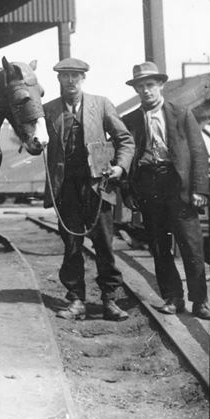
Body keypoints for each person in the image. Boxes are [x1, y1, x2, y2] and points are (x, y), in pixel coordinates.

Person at [121, 62, 210, 320]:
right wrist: (127, 192)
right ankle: (173, 298)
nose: (146, 91)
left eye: (150, 85)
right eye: (140, 87)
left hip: (179, 188)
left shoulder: (181, 114)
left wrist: (200, 190)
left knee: (191, 245)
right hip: (149, 188)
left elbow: (198, 152)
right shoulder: (130, 121)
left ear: (160, 85)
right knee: (160, 246)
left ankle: (200, 301)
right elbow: (125, 156)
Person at [44, 58, 135, 322]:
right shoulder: (48, 110)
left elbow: (125, 140)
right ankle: (76, 300)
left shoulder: (101, 104)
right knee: (72, 245)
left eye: (75, 76)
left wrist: (120, 167)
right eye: (65, 76)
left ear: (83, 79)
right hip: (66, 189)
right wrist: (34, 144)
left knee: (104, 245)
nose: (70, 81)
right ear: (58, 80)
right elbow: (33, 140)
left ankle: (110, 300)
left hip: (98, 186)